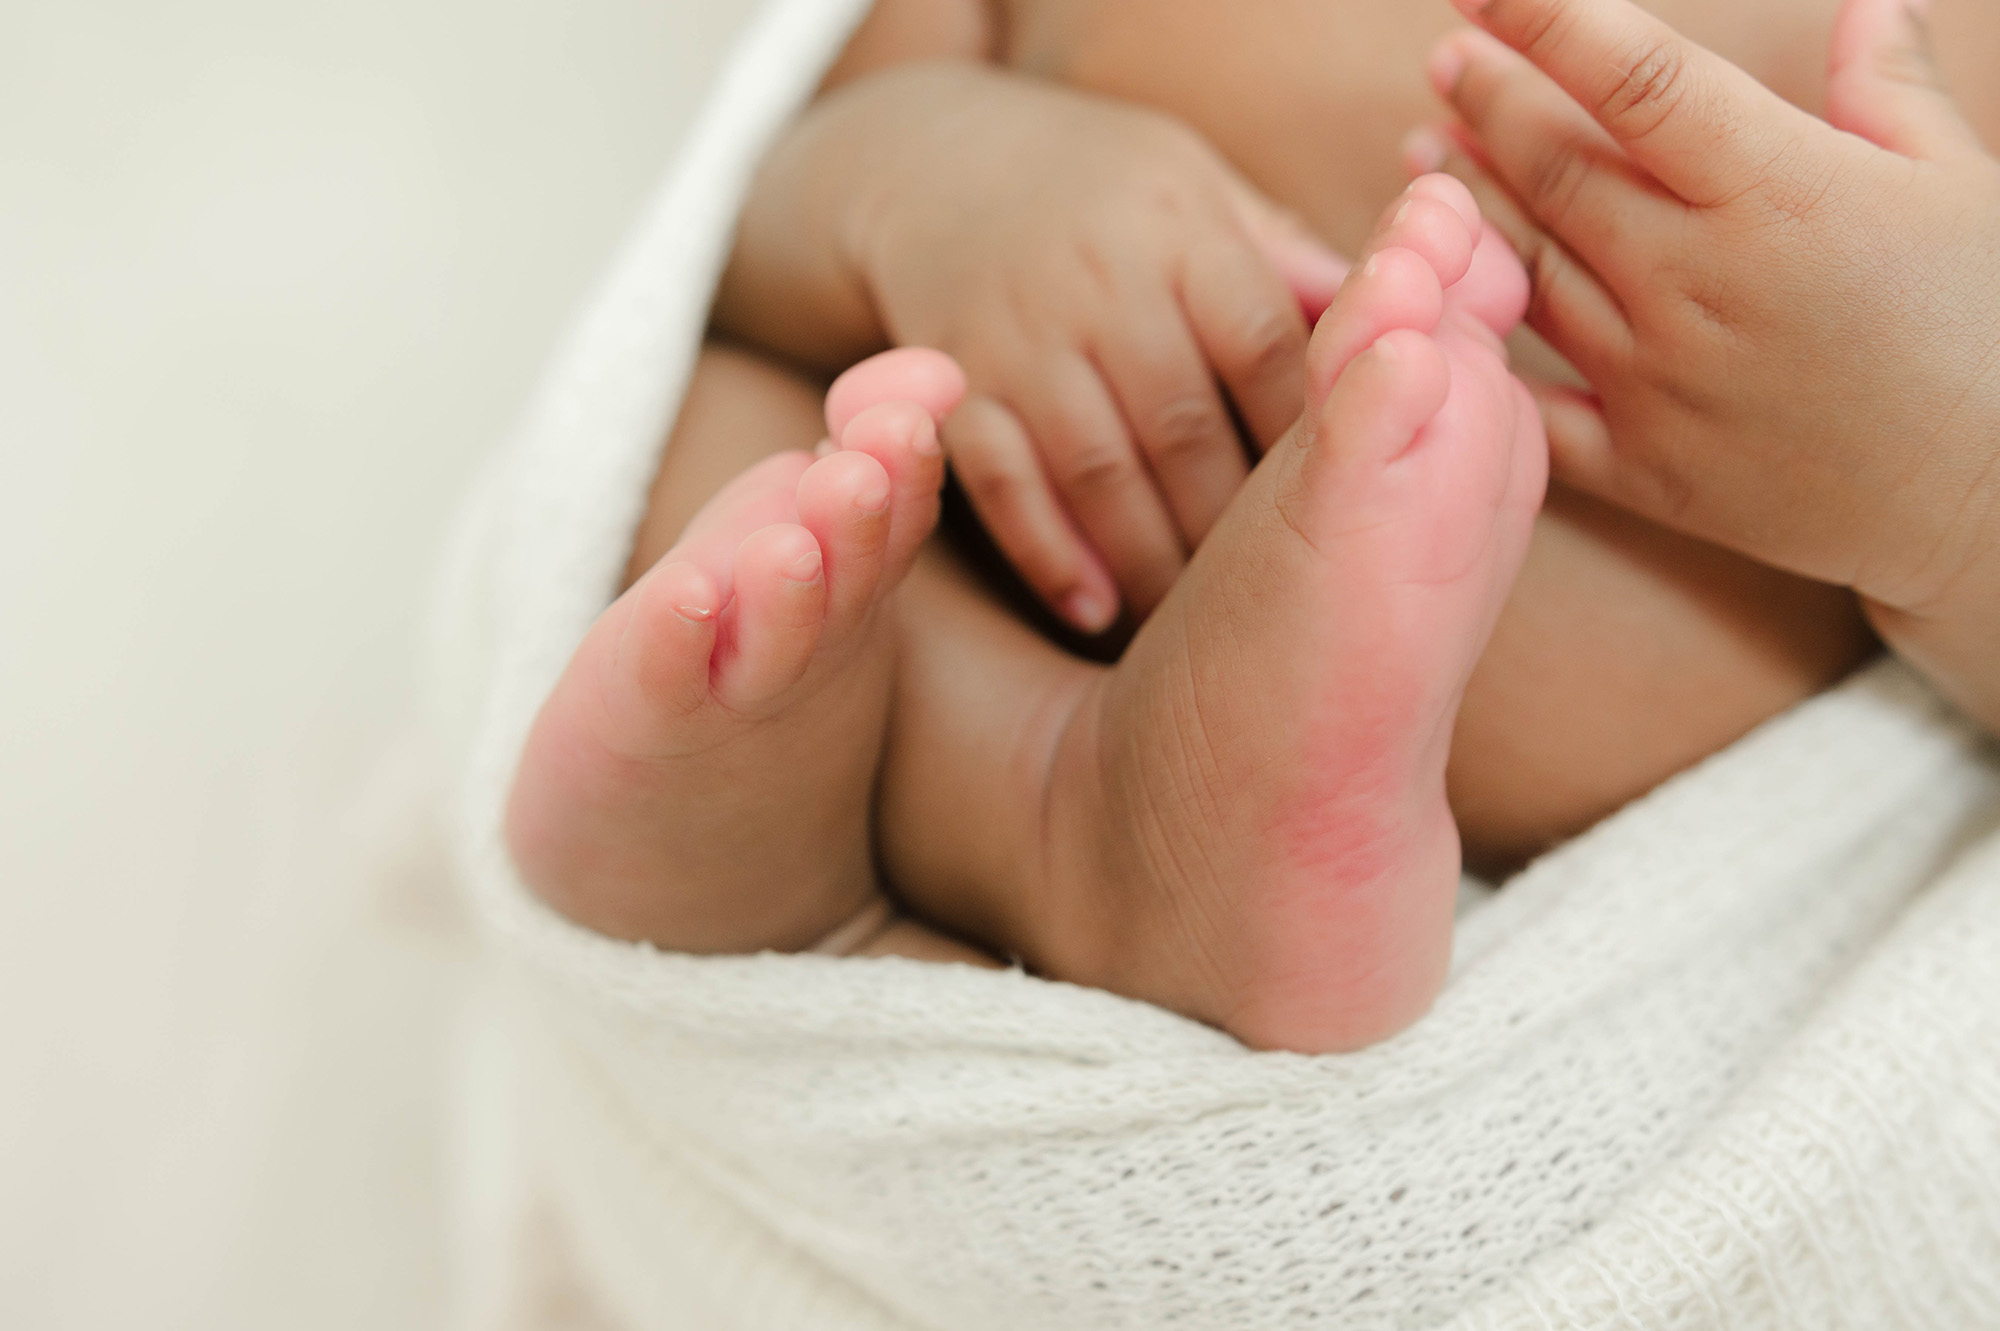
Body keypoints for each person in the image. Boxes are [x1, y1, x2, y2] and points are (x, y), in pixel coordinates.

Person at [502, 0, 2000, 1053]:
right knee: (725, 466)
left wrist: (1954, 467)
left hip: (1500, 695)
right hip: (979, 522)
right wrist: (934, 178)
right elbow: (761, 192)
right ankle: (968, 829)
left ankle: (1084, 824)